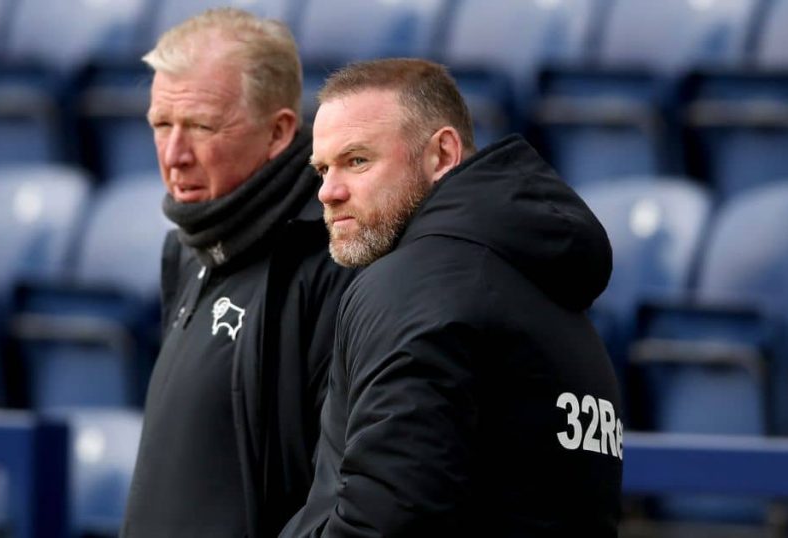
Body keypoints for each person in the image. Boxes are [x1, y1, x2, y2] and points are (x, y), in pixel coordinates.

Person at [281, 58, 623, 537]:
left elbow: (384, 523)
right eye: (322, 169)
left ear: (442, 154)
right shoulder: (548, 290)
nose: (328, 192)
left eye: (357, 161)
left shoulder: (415, 285)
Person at [120, 8, 356, 538]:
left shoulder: (331, 263)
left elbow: (342, 495)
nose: (174, 155)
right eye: (161, 125)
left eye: (202, 126)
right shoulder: (187, 250)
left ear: (278, 132)